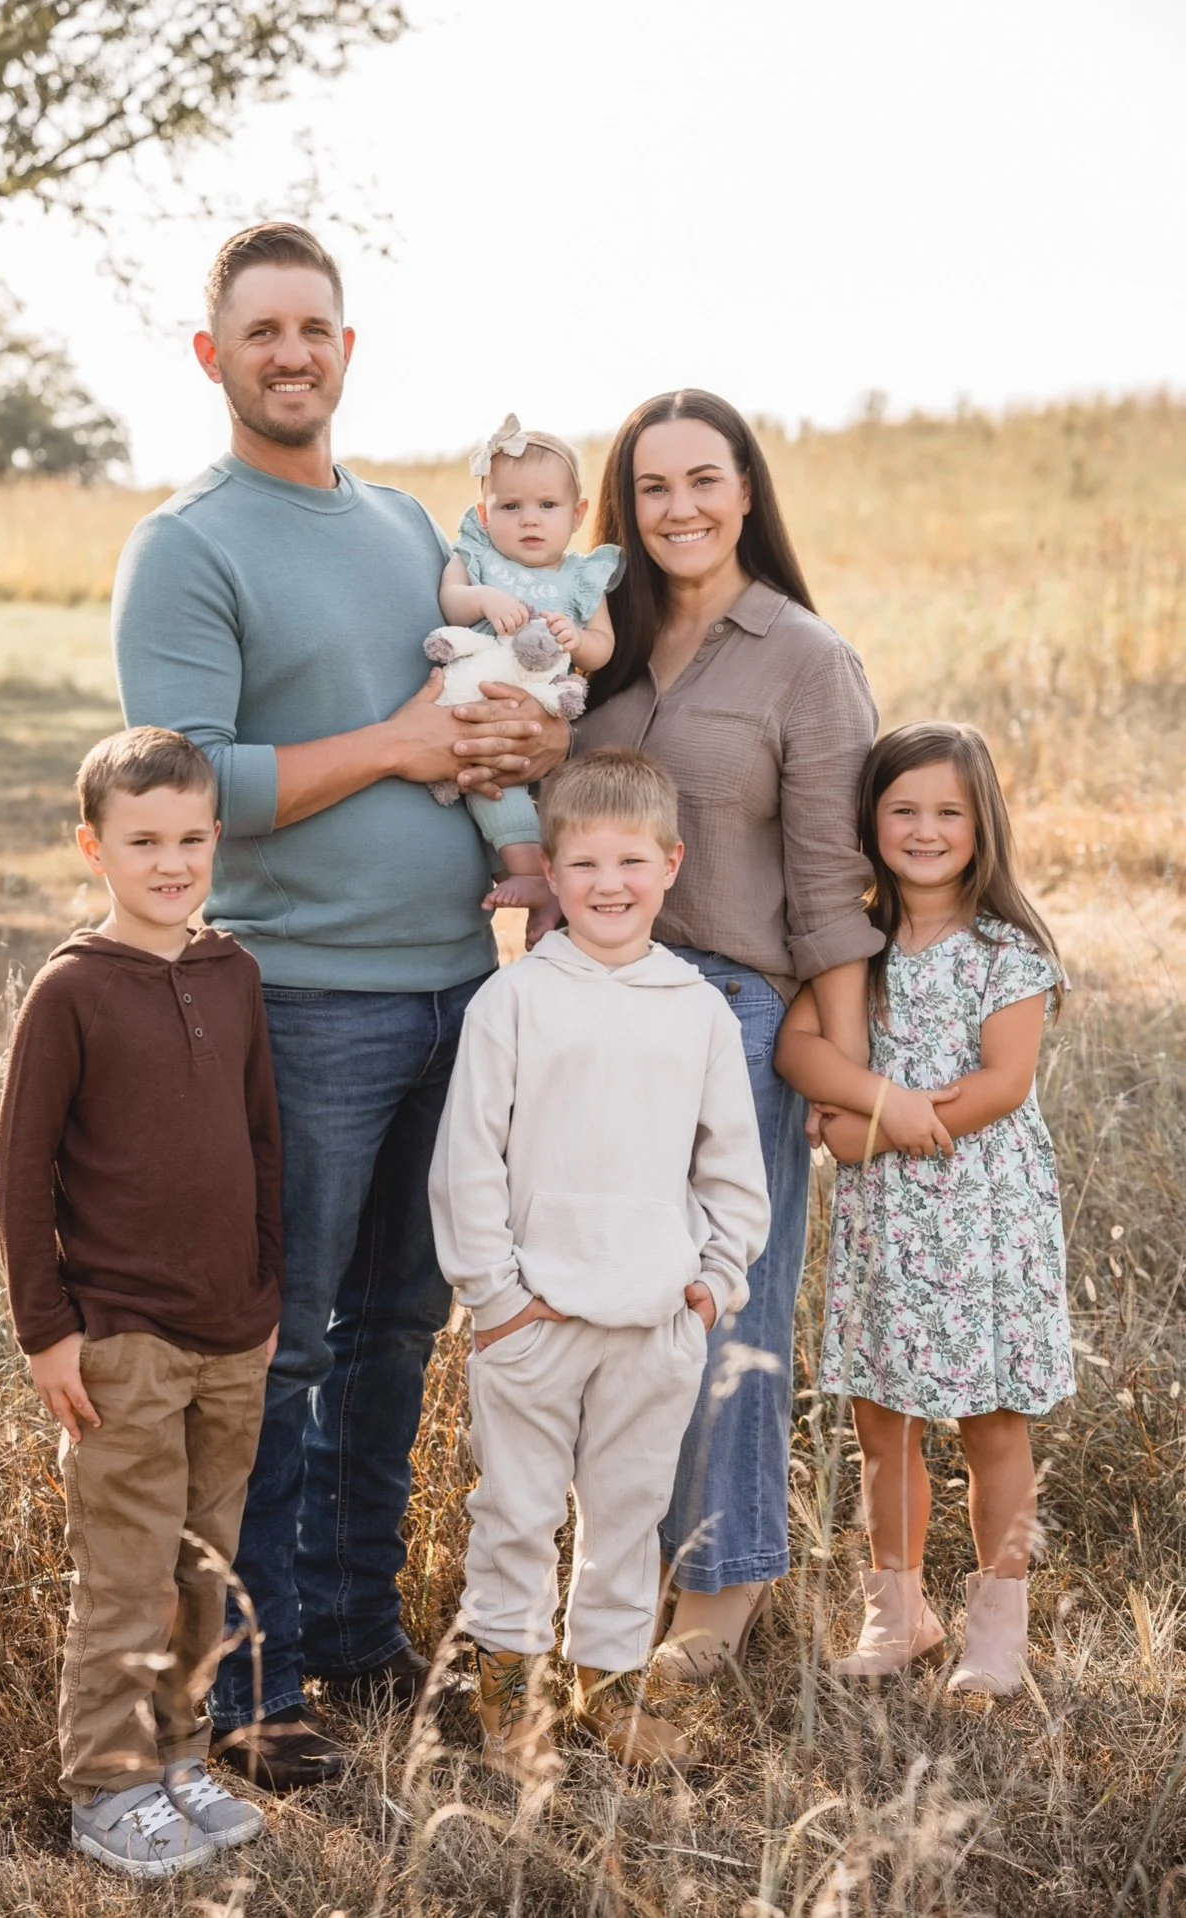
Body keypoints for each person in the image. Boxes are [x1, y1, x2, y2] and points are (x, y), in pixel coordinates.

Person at [112, 222, 571, 1788]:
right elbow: (186, 782)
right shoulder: (189, 545)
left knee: (399, 1329)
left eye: (316, 326)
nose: (292, 352)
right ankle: (255, 1683)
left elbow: (481, 718)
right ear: (213, 356)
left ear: (349, 348)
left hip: (465, 990)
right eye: (262, 331)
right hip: (302, 1006)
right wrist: (389, 748)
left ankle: (362, 1638)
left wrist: (516, 750)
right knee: (286, 1346)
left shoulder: (402, 530)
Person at [572, 389, 885, 1680]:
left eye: (705, 479)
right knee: (605, 1307)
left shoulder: (805, 658)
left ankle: (721, 1590)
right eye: (653, 487)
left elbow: (831, 885)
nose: (681, 507)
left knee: (721, 1306)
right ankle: (617, 1568)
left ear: (748, 489)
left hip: (731, 1013)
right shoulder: (596, 647)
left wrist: (849, 1074)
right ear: (625, 508)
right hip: (585, 1004)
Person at [429, 751, 770, 1779]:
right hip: (532, 1319)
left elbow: (732, 1166)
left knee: (629, 1511)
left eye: (631, 860)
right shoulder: (516, 1001)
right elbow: (468, 1159)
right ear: (553, 873)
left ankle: (609, 1685)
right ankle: (509, 1700)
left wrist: (715, 1282)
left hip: (657, 1319)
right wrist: (495, 1295)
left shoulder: (698, 1007)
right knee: (517, 1514)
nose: (608, 884)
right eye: (584, 864)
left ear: (672, 863)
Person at [0, 728, 281, 1877]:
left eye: (192, 838)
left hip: (231, 1332)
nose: (172, 861)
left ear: (219, 839)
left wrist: (266, 1294)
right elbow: (20, 1174)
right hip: (121, 1339)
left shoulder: (235, 973)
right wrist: (48, 1331)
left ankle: (179, 1757)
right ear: (93, 848)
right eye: (144, 840)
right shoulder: (71, 989)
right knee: (127, 1570)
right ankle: (106, 1785)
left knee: (206, 1565)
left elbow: (265, 1146)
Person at [775, 721, 1074, 1693]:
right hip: (887, 1224)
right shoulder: (853, 944)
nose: (925, 828)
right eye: (903, 808)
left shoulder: (1005, 949)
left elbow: (1003, 1084)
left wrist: (877, 1128)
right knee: (882, 1415)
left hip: (985, 1211)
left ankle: (999, 1623)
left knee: (992, 1419)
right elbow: (799, 1050)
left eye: (948, 809)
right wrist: (884, 1102)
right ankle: (897, 1612)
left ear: (982, 823)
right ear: (870, 818)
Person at [437, 413, 620, 940]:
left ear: (578, 513)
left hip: (545, 705)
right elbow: (451, 603)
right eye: (510, 507)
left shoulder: (581, 579)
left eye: (547, 506)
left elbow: (602, 648)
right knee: (493, 789)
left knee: (567, 810)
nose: (529, 520)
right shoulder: (477, 561)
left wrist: (576, 639)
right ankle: (523, 873)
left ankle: (554, 897)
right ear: (484, 513)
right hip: (481, 701)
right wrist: (484, 598)